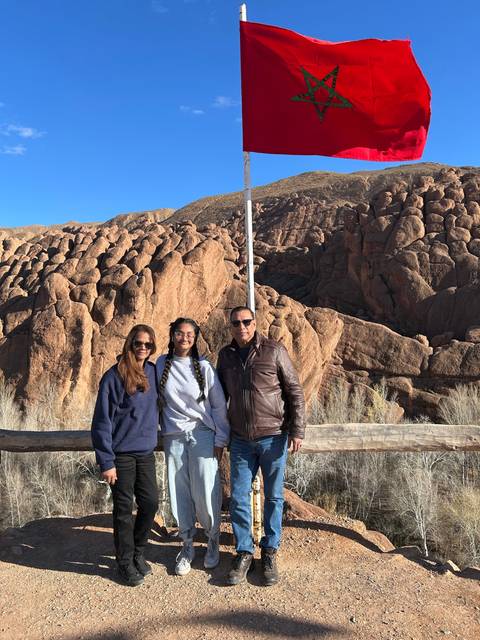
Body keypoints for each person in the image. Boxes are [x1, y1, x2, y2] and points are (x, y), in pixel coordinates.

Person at [217, 306, 306, 587]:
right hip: (241, 440)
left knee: (274, 497)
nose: (241, 327)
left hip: (273, 436)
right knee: (240, 497)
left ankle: (269, 550)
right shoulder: (226, 356)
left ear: (255, 323)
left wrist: (297, 429)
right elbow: (218, 398)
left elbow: (294, 390)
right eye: (236, 323)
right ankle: (244, 551)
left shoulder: (273, 350)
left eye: (246, 322)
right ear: (230, 326)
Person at [156, 317, 230, 576]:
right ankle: (187, 546)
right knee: (179, 493)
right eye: (179, 333)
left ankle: (212, 542)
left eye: (190, 334)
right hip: (173, 437)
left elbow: (219, 406)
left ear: (196, 338)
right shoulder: (161, 365)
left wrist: (221, 439)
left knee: (206, 491)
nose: (184, 338)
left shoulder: (204, 367)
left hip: (202, 435)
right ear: (172, 335)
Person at [91, 324, 159, 587]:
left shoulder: (153, 371)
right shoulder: (114, 376)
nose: (143, 348)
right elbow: (101, 422)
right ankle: (124, 562)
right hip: (121, 456)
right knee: (122, 510)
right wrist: (106, 462)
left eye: (148, 345)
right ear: (129, 344)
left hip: (146, 453)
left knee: (150, 503)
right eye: (138, 343)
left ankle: (138, 552)